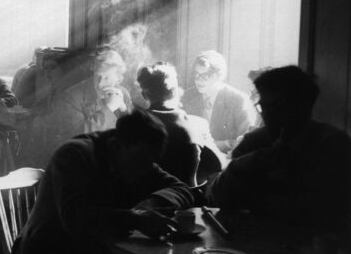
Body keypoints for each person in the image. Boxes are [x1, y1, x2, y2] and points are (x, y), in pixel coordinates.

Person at [8, 109, 194, 254]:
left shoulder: (137, 155)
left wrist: (152, 204)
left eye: (151, 162)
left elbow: (181, 189)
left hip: (97, 253)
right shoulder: (74, 156)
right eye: (141, 160)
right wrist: (136, 219)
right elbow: (75, 220)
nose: (145, 169)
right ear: (118, 145)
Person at [209, 66, 351, 233]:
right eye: (263, 107)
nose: (268, 115)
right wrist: (241, 165)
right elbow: (215, 199)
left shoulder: (334, 145)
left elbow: (330, 212)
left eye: (279, 106)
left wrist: (257, 201)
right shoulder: (254, 141)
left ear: (304, 106)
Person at [137, 62, 225, 186]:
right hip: (186, 200)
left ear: (144, 95)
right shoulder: (197, 124)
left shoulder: (132, 124)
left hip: (142, 200)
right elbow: (219, 164)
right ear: (175, 91)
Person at [181, 50, 253, 154]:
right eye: (196, 74)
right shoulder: (187, 96)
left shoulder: (238, 99)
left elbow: (245, 141)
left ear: (218, 75)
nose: (199, 80)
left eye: (205, 75)